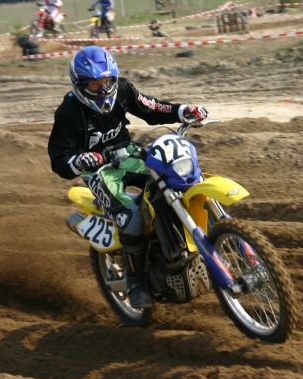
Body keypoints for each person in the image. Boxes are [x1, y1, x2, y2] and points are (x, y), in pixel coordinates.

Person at [48, 46, 207, 308]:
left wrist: (183, 111)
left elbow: (152, 108)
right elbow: (58, 159)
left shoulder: (123, 89)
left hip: (129, 154)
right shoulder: (68, 112)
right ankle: (136, 281)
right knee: (131, 216)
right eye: (94, 85)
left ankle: (181, 241)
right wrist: (79, 161)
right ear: (80, 84)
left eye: (106, 81)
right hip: (99, 170)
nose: (103, 90)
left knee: (176, 178)